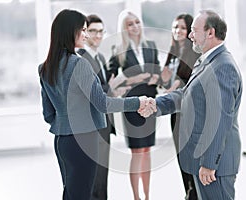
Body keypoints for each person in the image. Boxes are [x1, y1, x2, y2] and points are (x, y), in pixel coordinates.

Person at [38, 9, 153, 200]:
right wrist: (137, 102)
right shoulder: (79, 64)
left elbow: (48, 114)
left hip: (62, 141)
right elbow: (102, 103)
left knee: (71, 192)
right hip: (84, 139)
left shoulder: (45, 67)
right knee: (83, 193)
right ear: (70, 32)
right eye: (82, 30)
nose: (86, 34)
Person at [139, 10, 243, 200]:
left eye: (194, 30)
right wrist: (156, 104)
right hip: (203, 160)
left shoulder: (223, 66)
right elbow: (187, 95)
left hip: (214, 167)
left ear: (210, 33)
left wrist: (209, 163)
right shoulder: (206, 61)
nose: (190, 35)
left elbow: (219, 119)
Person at [77, 14, 131, 200]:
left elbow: (103, 87)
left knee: (102, 176)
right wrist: (112, 88)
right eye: (93, 31)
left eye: (101, 31)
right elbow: (92, 91)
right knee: (93, 178)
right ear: (84, 33)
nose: (98, 35)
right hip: (91, 126)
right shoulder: (80, 59)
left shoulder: (99, 57)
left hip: (104, 124)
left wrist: (115, 89)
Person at [108, 9, 161, 200]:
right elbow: (111, 81)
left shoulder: (151, 46)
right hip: (131, 106)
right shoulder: (118, 51)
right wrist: (134, 79)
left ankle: (147, 196)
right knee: (136, 151)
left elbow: (159, 72)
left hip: (150, 104)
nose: (135, 27)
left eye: (137, 22)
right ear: (124, 28)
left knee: (147, 151)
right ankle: (136, 197)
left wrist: (156, 77)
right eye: (130, 24)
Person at [161, 13, 200, 200]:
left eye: (182, 28)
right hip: (175, 112)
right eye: (175, 27)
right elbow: (165, 82)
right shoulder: (172, 53)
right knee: (180, 153)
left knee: (190, 153)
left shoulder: (194, 53)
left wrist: (175, 84)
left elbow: (192, 82)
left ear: (189, 31)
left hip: (189, 111)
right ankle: (189, 192)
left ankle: (195, 192)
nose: (178, 31)